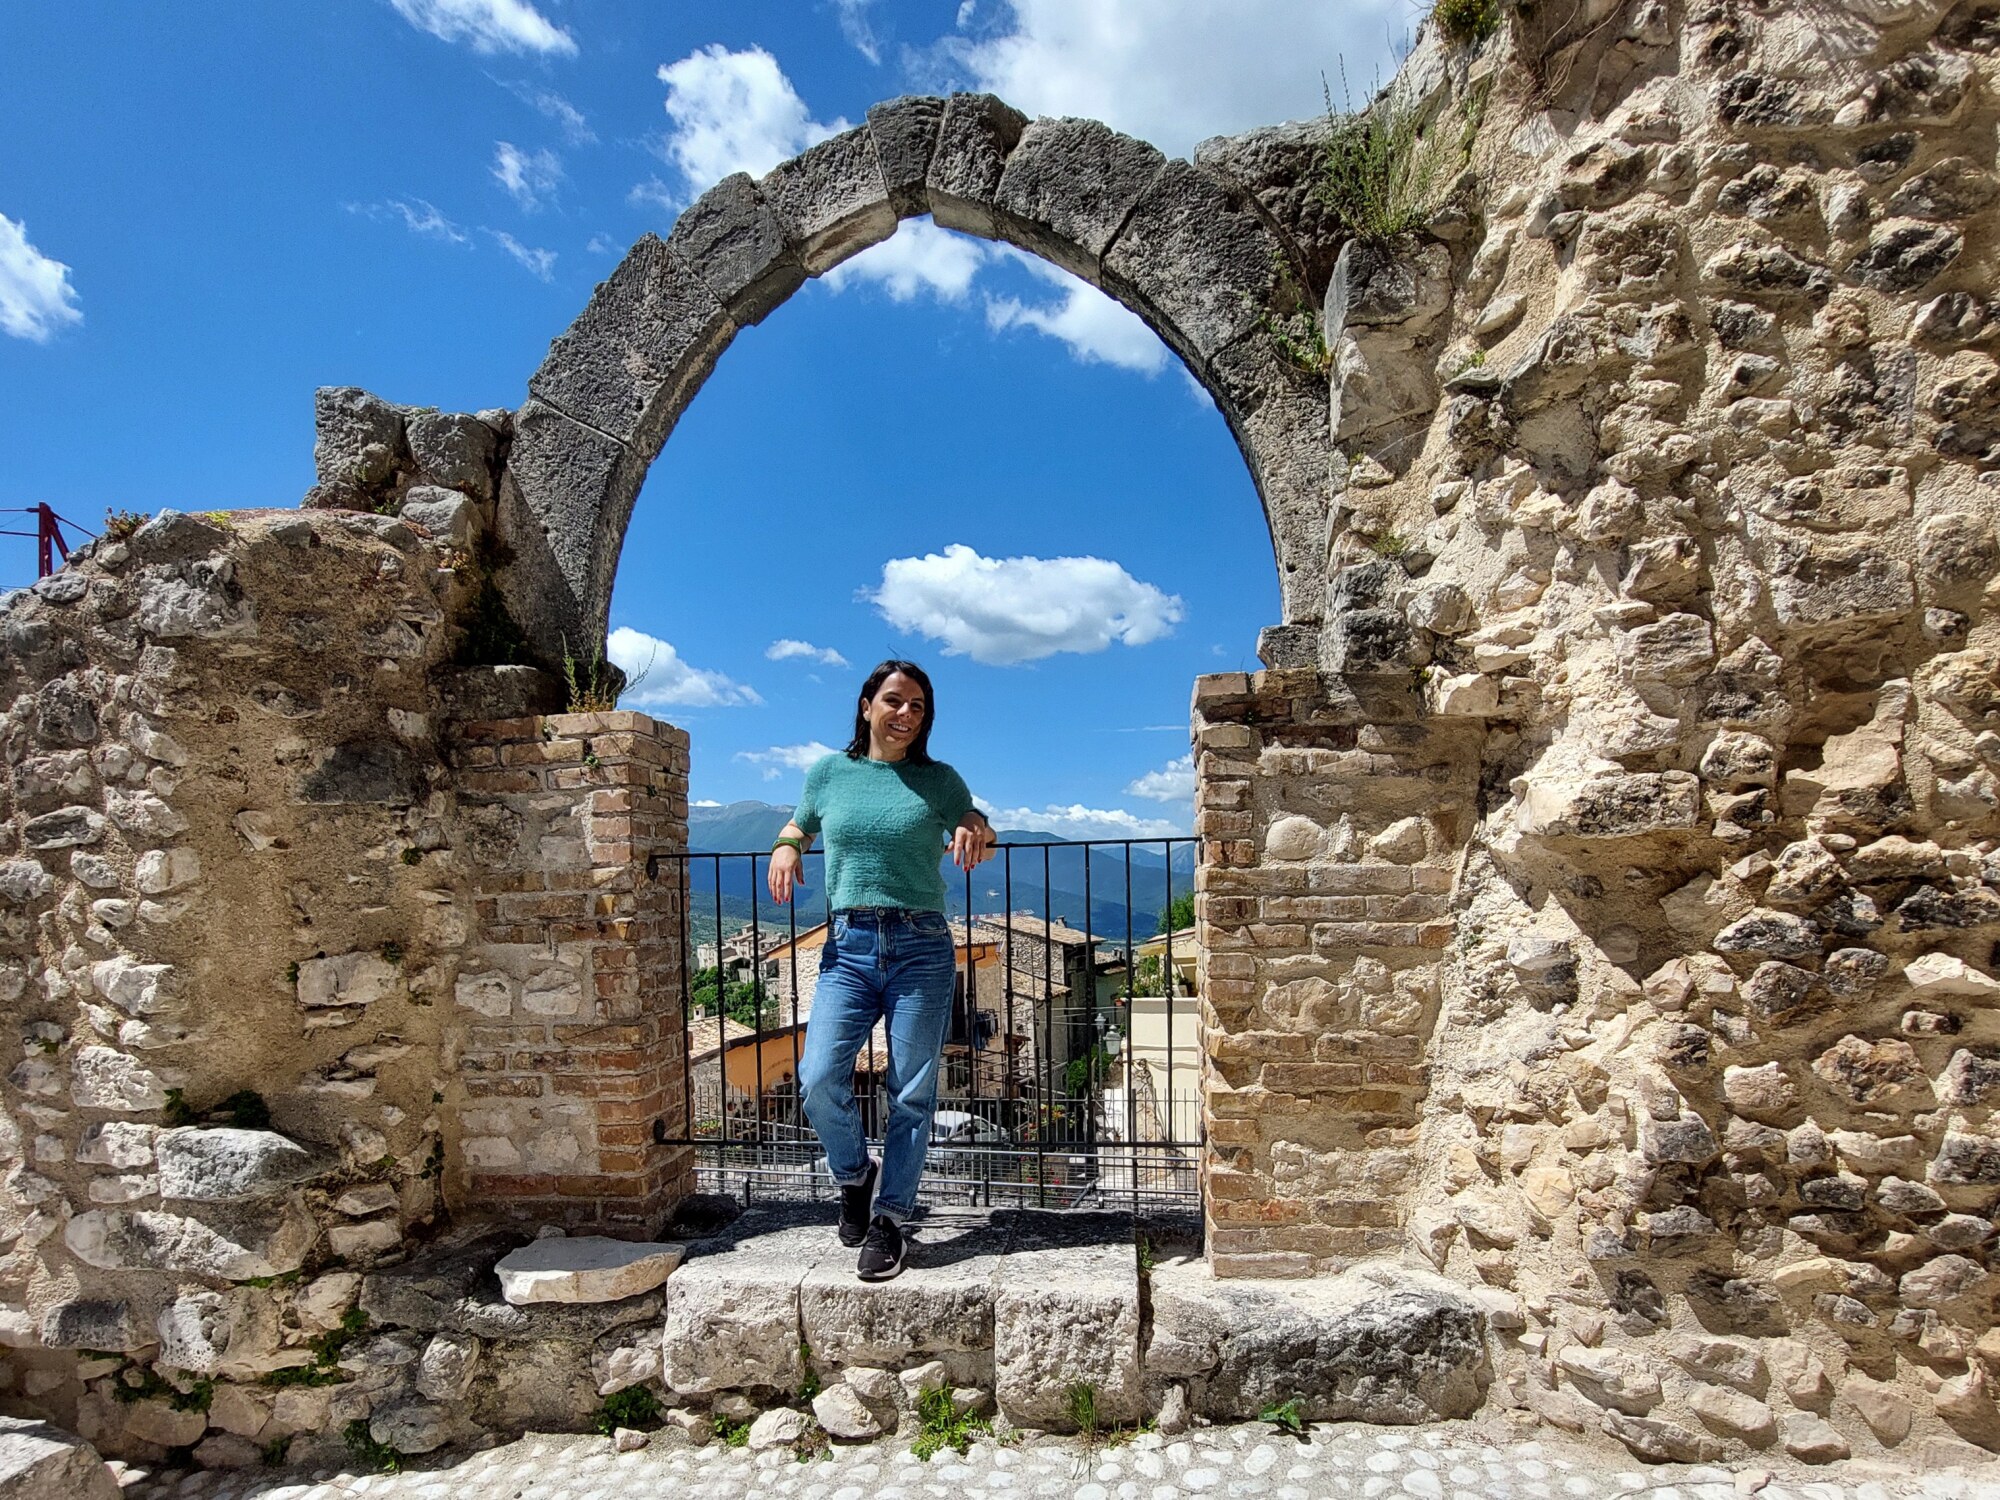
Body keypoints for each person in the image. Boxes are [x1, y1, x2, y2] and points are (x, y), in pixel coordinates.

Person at [766, 660, 995, 1281]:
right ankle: (854, 1176)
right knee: (816, 1077)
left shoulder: (937, 780)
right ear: (867, 704)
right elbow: (799, 821)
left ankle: (890, 1219)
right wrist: (787, 845)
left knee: (912, 1093)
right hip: (848, 946)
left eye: (918, 706)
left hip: (921, 945)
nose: (906, 714)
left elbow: (976, 823)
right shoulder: (829, 773)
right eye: (894, 701)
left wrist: (976, 827)